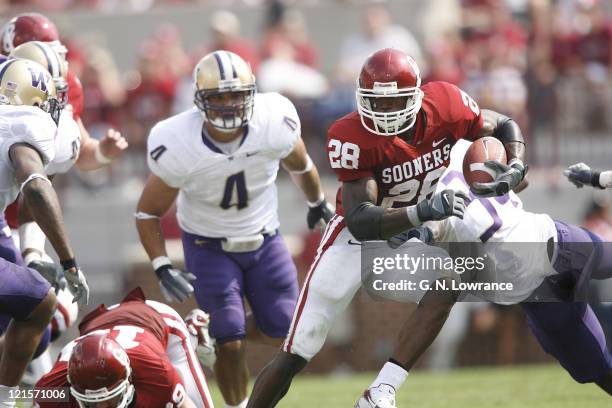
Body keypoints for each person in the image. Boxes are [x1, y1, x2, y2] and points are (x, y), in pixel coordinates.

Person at [246, 47, 527, 408]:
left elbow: (503, 125)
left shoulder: (446, 104)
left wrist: (516, 163)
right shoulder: (350, 135)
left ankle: (382, 390)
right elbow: (362, 220)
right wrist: (423, 210)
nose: (383, 111)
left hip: (405, 237)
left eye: (394, 103)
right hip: (351, 241)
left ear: (416, 96)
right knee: (298, 350)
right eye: (375, 102)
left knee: (448, 284)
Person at [135, 50, 333, 408]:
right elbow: (147, 212)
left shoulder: (274, 121)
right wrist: (161, 264)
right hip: (208, 245)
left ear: (251, 93)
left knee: (288, 330)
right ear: (200, 100)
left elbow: (301, 165)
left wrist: (316, 202)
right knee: (230, 336)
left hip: (265, 238)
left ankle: (207, 334)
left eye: (236, 95)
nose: (228, 105)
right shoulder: (178, 141)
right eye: (218, 97)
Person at [423, 139, 612, 394]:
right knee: (594, 366)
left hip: (553, 251)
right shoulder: (454, 170)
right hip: (542, 270)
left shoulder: (461, 162)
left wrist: (598, 178)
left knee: (596, 365)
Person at [0, 58, 89, 403]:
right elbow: (36, 188)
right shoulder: (25, 124)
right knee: (41, 300)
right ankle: (5, 397)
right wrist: (69, 261)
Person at [34, 287, 214, 408]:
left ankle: (191, 331)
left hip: (155, 319)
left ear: (128, 381)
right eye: (92, 404)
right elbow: (14, 395)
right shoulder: (52, 390)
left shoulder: (158, 374)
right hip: (102, 323)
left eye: (110, 400)